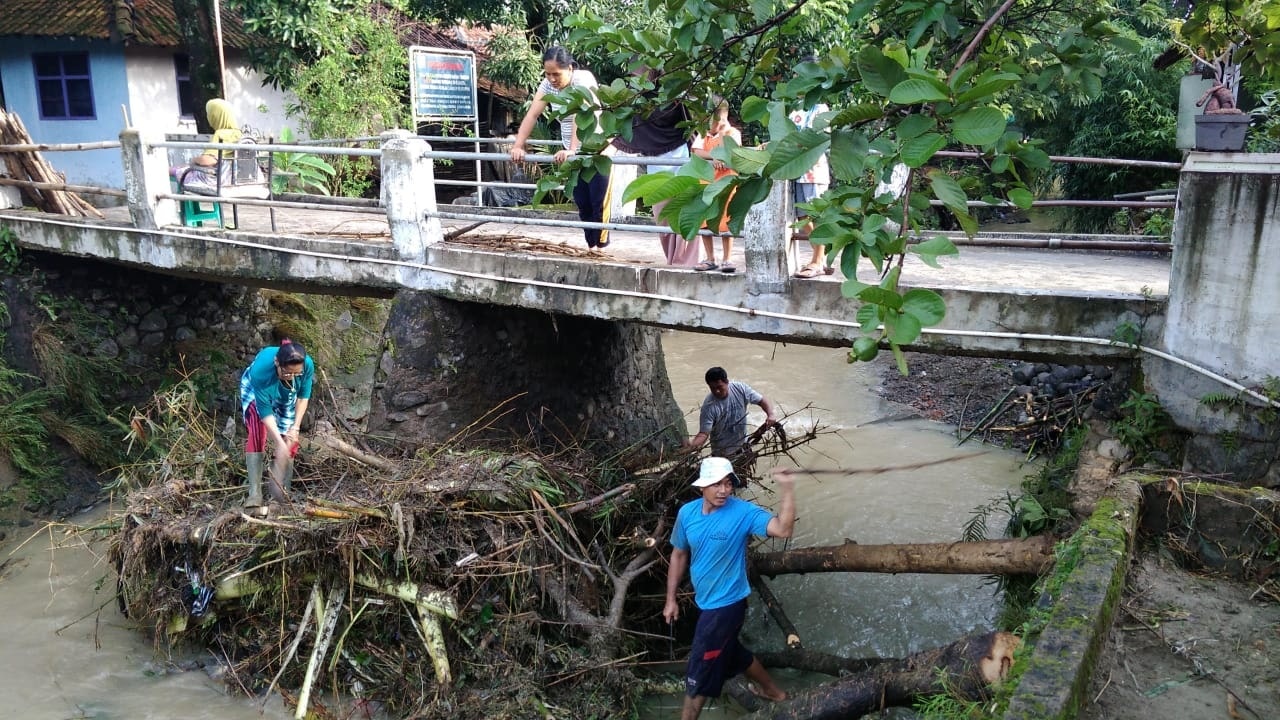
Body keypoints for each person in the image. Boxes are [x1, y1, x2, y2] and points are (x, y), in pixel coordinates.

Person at [664, 456, 794, 719]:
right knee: (734, 655)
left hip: (728, 606)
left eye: (728, 483)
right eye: (716, 484)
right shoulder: (687, 513)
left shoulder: (743, 513)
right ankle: (774, 692)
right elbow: (678, 554)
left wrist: (788, 489)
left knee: (698, 673)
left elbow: (783, 529)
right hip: (705, 602)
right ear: (702, 486)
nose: (723, 490)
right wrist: (671, 599)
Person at [509, 47, 611, 250]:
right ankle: (591, 248)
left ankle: (601, 248)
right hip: (573, 153)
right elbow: (532, 115)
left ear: (570, 68)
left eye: (557, 74)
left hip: (597, 150)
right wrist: (518, 145)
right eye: (548, 74)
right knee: (582, 202)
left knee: (598, 203)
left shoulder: (582, 79)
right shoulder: (547, 85)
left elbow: (579, 114)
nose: (552, 78)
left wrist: (573, 149)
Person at [611, 64, 698, 266]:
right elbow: (625, 129)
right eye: (633, 76)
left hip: (680, 154)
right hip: (655, 160)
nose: (637, 79)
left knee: (687, 207)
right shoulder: (634, 100)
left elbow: (693, 121)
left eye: (641, 74)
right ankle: (672, 259)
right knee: (662, 213)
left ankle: (687, 260)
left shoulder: (672, 93)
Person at [239, 339, 314, 506]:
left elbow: (303, 397)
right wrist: (279, 443)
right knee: (258, 432)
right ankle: (254, 495)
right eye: (288, 372)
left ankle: (281, 494)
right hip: (256, 390)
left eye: (297, 373)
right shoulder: (261, 372)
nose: (292, 376)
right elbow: (265, 412)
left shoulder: (306, 365)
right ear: (276, 363)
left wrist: (295, 428)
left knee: (290, 439)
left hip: (286, 392)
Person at [691, 99, 742, 273]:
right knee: (704, 221)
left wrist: (721, 132)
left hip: (726, 183)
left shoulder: (732, 134)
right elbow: (696, 150)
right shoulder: (704, 135)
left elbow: (730, 153)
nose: (712, 124)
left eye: (715, 120)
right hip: (706, 182)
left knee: (725, 219)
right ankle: (710, 257)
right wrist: (713, 157)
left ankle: (727, 258)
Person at [684, 367, 779, 459]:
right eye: (712, 388)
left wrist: (771, 414)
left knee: (743, 474)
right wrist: (692, 445)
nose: (717, 391)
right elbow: (704, 434)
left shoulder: (740, 389)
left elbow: (762, 401)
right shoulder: (709, 406)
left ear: (727, 382)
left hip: (743, 448)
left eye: (719, 387)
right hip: (722, 455)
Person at [789, 100, 834, 279]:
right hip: (796, 170)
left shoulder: (821, 108)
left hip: (814, 170)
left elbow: (820, 138)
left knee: (817, 216)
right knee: (801, 216)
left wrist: (796, 144)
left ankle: (817, 261)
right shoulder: (794, 109)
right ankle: (821, 258)